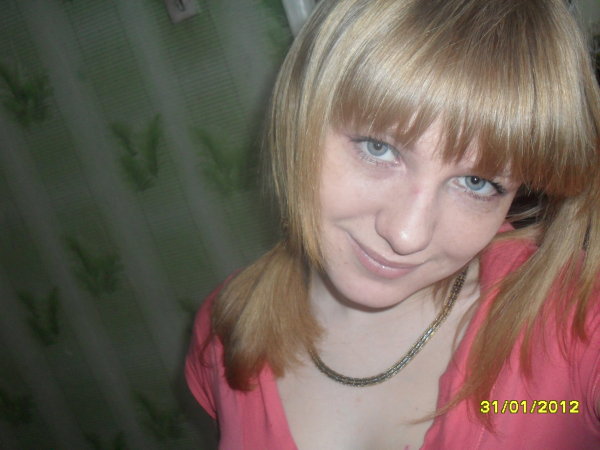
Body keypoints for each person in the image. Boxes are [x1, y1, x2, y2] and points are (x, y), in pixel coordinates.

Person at [185, 0, 600, 448]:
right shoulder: (224, 331)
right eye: (378, 148)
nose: (407, 236)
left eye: (477, 182)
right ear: (300, 115)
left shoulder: (577, 330)